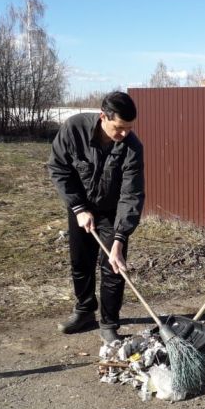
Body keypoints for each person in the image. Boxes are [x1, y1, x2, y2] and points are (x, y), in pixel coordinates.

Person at [47, 92, 145, 343]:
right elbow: (59, 168)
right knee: (80, 262)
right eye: (119, 128)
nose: (124, 134)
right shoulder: (74, 129)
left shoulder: (132, 147)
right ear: (103, 117)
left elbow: (131, 193)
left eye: (129, 128)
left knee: (114, 266)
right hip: (81, 206)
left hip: (113, 213)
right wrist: (79, 208)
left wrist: (120, 238)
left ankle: (109, 323)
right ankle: (84, 311)